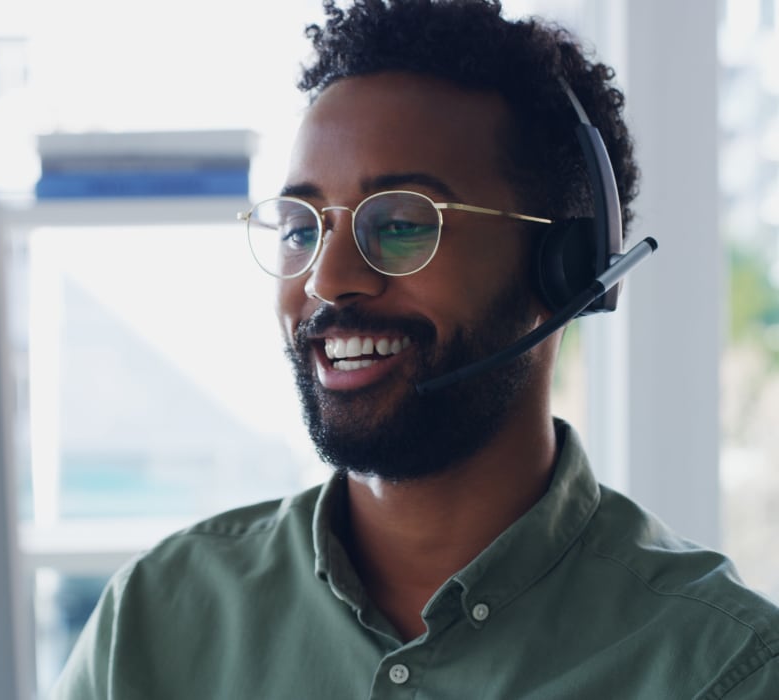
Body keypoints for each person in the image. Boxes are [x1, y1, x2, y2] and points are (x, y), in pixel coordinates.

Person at [50, 1, 779, 697]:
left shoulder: (720, 667)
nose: (328, 280)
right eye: (303, 227)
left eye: (400, 224)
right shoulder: (155, 622)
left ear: (565, 268)